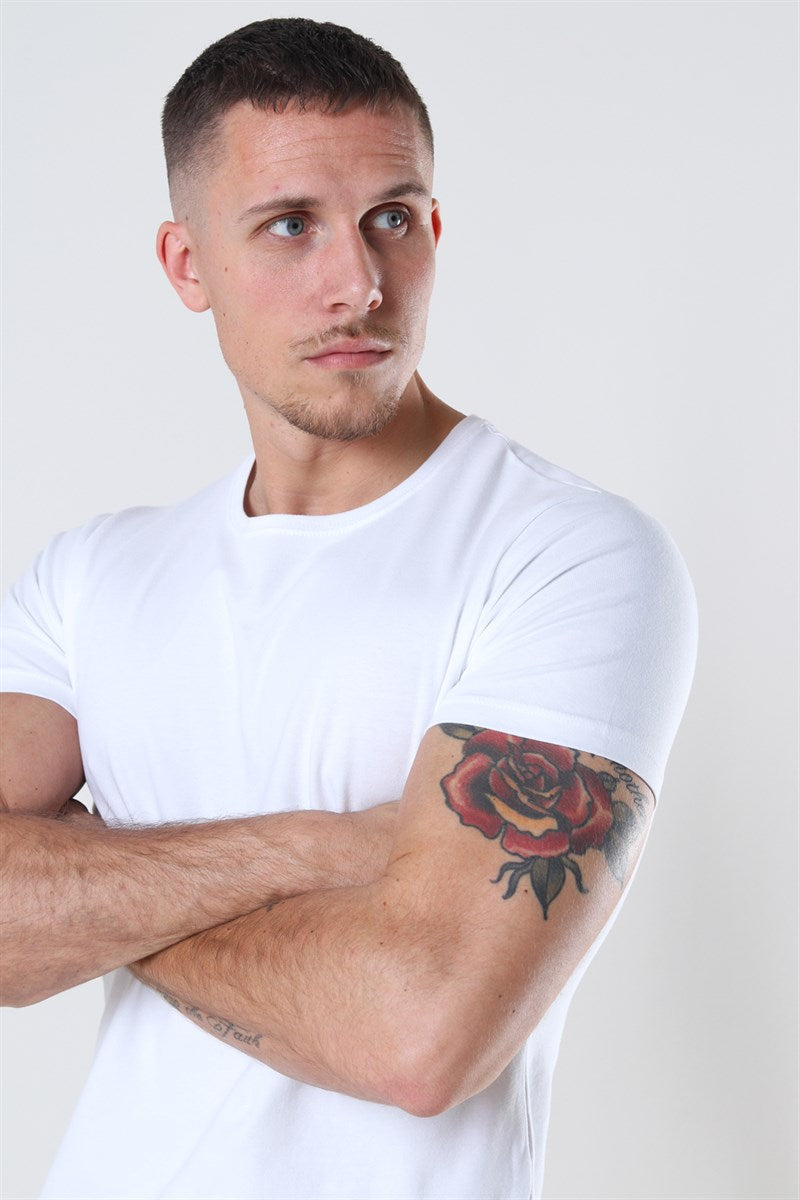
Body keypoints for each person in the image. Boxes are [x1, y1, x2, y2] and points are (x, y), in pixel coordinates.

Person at [0, 17, 696, 1200]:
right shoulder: (93, 576)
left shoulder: (566, 554)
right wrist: (321, 850)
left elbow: (417, 1038)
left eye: (391, 219)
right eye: (289, 225)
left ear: (434, 230)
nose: (358, 285)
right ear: (186, 264)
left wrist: (85, 885)